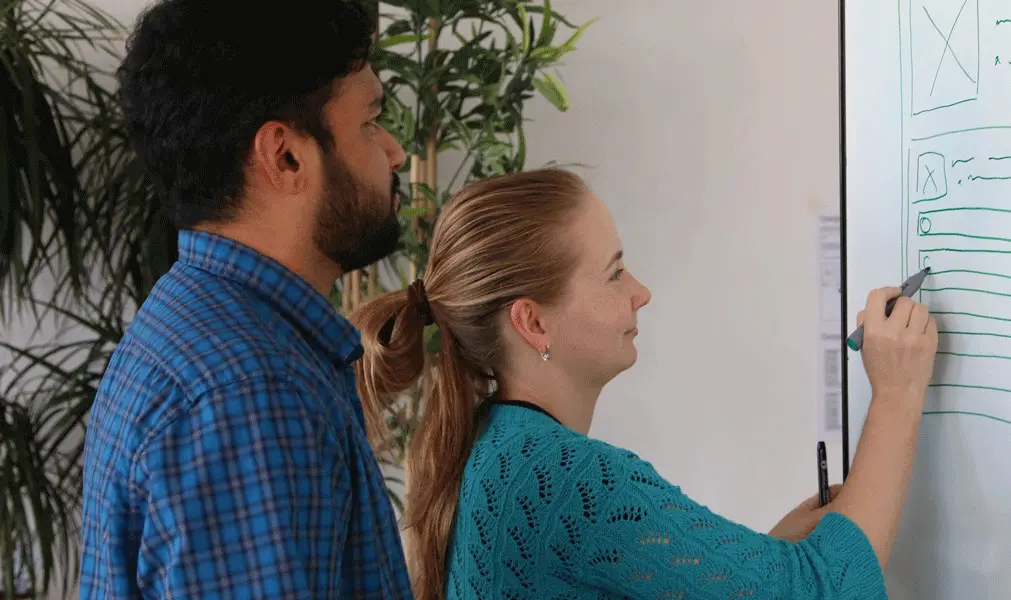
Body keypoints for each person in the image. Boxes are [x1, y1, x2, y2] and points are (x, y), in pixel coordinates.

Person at [350, 166, 939, 599]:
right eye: (614, 274)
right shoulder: (562, 476)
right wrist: (896, 394)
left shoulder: (500, 448)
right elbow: (825, 593)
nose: (641, 291)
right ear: (533, 323)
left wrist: (768, 555)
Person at [78, 0, 414, 598]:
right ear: (285, 156)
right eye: (370, 122)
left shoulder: (193, 324)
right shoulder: (252, 394)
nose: (395, 152)